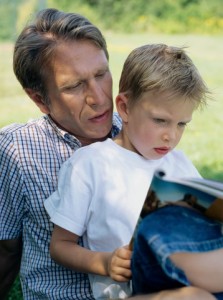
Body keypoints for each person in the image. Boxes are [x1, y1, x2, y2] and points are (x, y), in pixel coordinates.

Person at [44, 43, 222, 300]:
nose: (170, 136)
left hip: (187, 272)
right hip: (136, 288)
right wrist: (105, 263)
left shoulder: (179, 163)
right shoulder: (91, 164)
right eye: (160, 120)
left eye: (182, 124)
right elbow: (60, 246)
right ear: (125, 108)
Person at [0, 7, 121, 299]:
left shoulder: (140, 134)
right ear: (39, 98)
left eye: (101, 74)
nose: (99, 97)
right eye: (75, 85)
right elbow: (5, 251)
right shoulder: (15, 151)